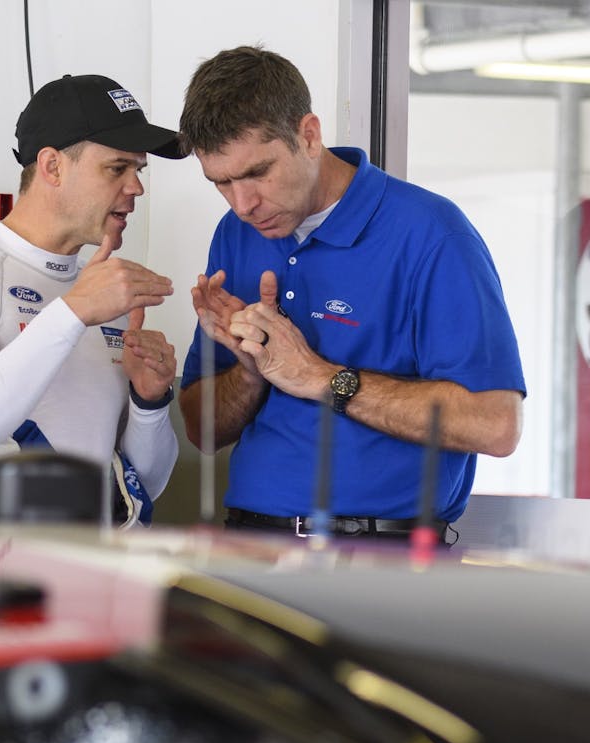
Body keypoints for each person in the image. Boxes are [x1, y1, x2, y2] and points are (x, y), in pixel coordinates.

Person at [177, 46, 525, 542]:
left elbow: (495, 425)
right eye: (221, 183)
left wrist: (318, 376)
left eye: (257, 173)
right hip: (248, 543)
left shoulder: (431, 234)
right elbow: (200, 430)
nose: (243, 204)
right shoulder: (235, 234)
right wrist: (253, 368)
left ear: (310, 135)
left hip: (383, 554)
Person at [0, 74, 185, 526]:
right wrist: (71, 313)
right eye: (117, 168)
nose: (136, 187)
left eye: (137, 170)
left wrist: (150, 401)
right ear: (52, 167)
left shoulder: (102, 292)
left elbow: (143, 484)